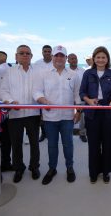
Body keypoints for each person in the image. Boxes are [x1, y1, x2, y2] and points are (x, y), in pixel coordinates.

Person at [33, 45, 81, 185]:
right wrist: (43, 100)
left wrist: (78, 111)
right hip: (50, 117)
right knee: (52, 145)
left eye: (62, 56)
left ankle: (69, 168)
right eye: (56, 55)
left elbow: (77, 95)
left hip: (67, 117)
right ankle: (52, 168)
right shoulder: (43, 73)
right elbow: (36, 92)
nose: (59, 58)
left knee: (68, 144)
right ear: (52, 57)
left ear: (66, 58)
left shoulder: (73, 75)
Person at [0, 45, 41, 183]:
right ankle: (19, 168)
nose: (25, 55)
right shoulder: (9, 72)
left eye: (27, 53)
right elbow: (3, 91)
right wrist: (11, 102)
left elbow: (40, 90)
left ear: (31, 56)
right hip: (15, 115)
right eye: (21, 53)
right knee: (16, 143)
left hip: (33, 113)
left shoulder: (38, 72)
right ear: (16, 56)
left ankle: (34, 167)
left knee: (34, 143)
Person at [80, 46, 111, 183]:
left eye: (103, 57)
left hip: (108, 112)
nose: (101, 59)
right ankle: (94, 173)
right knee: (94, 144)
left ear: (107, 59)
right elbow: (82, 93)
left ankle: (106, 172)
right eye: (98, 57)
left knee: (108, 144)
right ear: (94, 59)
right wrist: (89, 100)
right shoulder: (87, 74)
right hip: (92, 112)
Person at [34, 45, 53, 142]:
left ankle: (51, 134)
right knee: (41, 115)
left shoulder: (55, 63)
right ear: (42, 52)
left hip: (52, 93)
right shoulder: (37, 64)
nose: (47, 53)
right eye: (45, 51)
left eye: (49, 51)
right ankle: (43, 133)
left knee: (51, 113)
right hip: (40, 93)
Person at [68, 53, 87, 143]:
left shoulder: (83, 71)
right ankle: (68, 134)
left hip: (81, 97)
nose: (74, 60)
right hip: (68, 98)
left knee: (82, 116)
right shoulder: (65, 71)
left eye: (75, 58)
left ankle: (82, 134)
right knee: (69, 116)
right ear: (68, 60)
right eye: (71, 59)